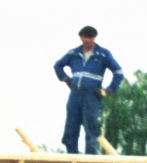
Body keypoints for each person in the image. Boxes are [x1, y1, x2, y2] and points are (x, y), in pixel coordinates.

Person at [53, 25, 124, 154]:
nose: (88, 40)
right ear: (81, 37)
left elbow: (118, 72)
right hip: (75, 95)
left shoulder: (103, 54)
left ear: (94, 38)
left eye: (90, 37)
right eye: (85, 37)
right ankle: (71, 156)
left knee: (91, 129)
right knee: (70, 128)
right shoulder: (73, 53)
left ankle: (90, 160)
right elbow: (57, 65)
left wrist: (109, 90)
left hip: (92, 96)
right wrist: (66, 79)